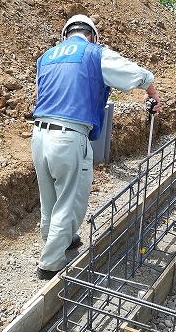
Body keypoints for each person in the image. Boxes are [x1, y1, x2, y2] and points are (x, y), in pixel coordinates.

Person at [31, 14, 161, 280]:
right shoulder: (94, 53)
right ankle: (51, 263)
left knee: (50, 198)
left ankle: (60, 239)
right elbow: (139, 75)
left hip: (39, 136)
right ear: (92, 35)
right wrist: (153, 95)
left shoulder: (46, 57)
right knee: (71, 200)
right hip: (69, 137)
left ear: (65, 34)